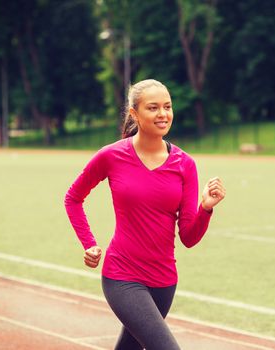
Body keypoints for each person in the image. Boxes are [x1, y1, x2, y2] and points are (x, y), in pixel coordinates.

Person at [64, 79, 226, 350]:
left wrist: (206, 208)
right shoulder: (111, 156)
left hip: (164, 280)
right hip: (122, 275)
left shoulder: (185, 165)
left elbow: (188, 236)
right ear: (134, 114)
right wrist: (89, 243)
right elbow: (73, 198)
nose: (163, 114)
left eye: (167, 107)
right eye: (153, 108)